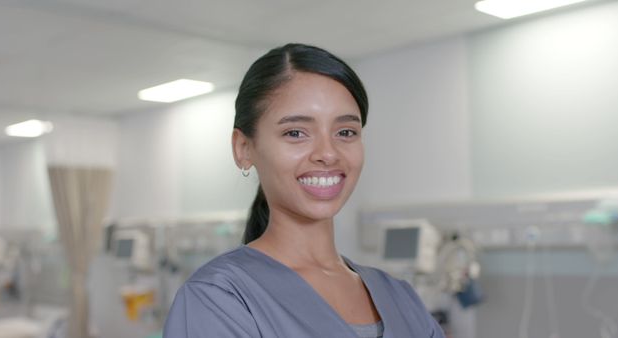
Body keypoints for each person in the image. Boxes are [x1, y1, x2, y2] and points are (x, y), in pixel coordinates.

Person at [163, 43, 445, 338]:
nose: (328, 153)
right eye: (295, 133)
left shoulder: (400, 297)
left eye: (345, 132)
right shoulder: (218, 298)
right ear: (244, 148)